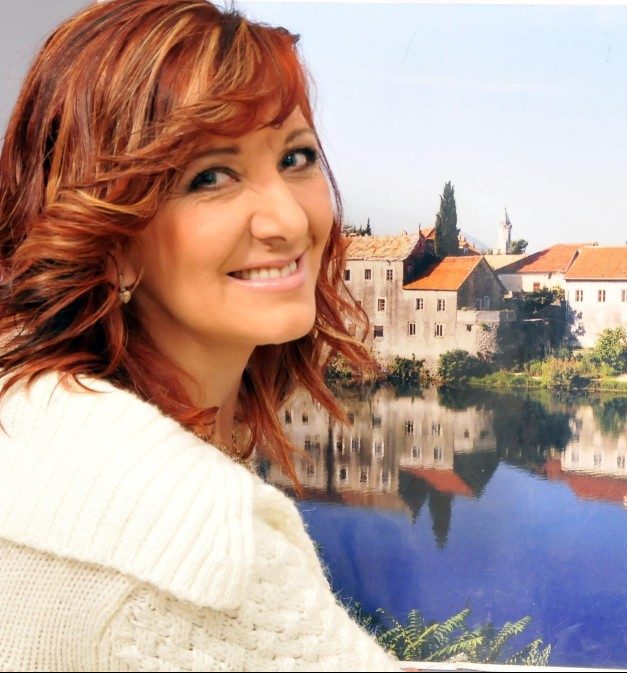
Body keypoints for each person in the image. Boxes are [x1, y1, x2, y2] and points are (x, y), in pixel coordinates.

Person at [0, 1, 398, 669]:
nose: (288, 220)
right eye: (211, 176)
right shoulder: (207, 550)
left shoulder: (27, 421)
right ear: (111, 239)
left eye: (296, 157)